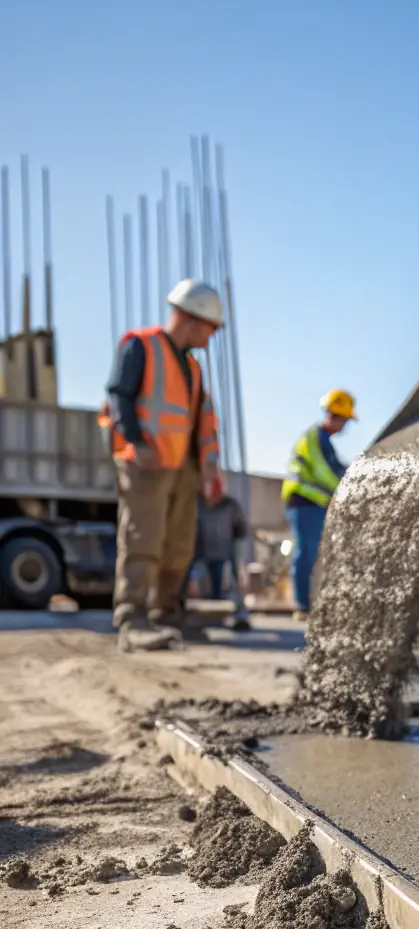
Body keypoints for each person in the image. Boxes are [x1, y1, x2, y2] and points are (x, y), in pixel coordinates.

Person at [102, 279, 222, 652]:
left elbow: (198, 423)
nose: (212, 336)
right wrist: (137, 443)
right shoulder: (141, 345)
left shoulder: (193, 368)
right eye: (211, 328)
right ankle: (132, 618)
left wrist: (207, 468)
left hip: (182, 468)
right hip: (147, 462)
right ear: (191, 319)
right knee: (143, 539)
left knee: (179, 546)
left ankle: (166, 615)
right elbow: (119, 396)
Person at [281, 390, 355, 617]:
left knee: (316, 554)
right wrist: (352, 486)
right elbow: (327, 472)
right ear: (335, 416)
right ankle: (303, 606)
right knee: (306, 552)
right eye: (345, 420)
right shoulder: (317, 439)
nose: (345, 426)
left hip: (313, 502)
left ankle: (312, 603)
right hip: (305, 501)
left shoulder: (322, 440)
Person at [194, 475, 250, 629]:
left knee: (232, 581)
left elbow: (241, 527)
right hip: (204, 551)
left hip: (226, 550)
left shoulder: (230, 505)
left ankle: (238, 613)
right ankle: (209, 616)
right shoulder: (199, 504)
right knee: (207, 583)